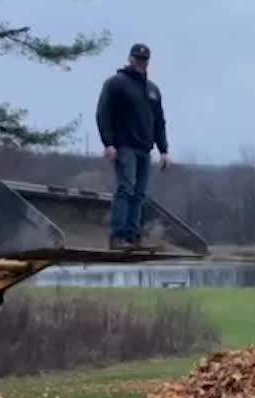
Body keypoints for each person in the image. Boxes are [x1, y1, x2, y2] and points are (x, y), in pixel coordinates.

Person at [95, 42, 171, 249]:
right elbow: (103, 113)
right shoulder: (116, 83)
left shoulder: (152, 90)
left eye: (144, 60)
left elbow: (159, 122)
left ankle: (133, 235)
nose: (141, 63)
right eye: (137, 59)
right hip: (124, 146)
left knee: (140, 194)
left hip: (144, 149)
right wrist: (108, 143)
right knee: (125, 189)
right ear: (130, 59)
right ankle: (118, 235)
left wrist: (163, 150)